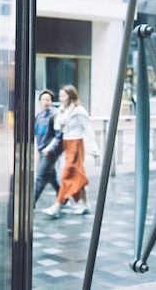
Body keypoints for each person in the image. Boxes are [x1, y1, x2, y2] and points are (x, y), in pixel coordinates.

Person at [41, 85, 99, 219]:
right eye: (60, 96)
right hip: (67, 144)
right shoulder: (62, 111)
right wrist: (49, 148)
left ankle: (57, 205)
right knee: (78, 176)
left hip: (76, 144)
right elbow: (58, 132)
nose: (60, 99)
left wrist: (94, 149)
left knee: (67, 175)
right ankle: (86, 204)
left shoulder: (79, 111)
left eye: (63, 96)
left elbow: (88, 131)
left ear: (71, 97)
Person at [33, 89, 62, 207]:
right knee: (51, 175)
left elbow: (58, 136)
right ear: (39, 101)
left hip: (50, 152)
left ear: (51, 101)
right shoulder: (39, 115)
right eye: (43, 99)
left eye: (48, 100)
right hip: (41, 150)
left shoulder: (55, 115)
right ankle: (63, 197)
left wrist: (49, 149)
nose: (45, 102)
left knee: (40, 176)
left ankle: (31, 202)